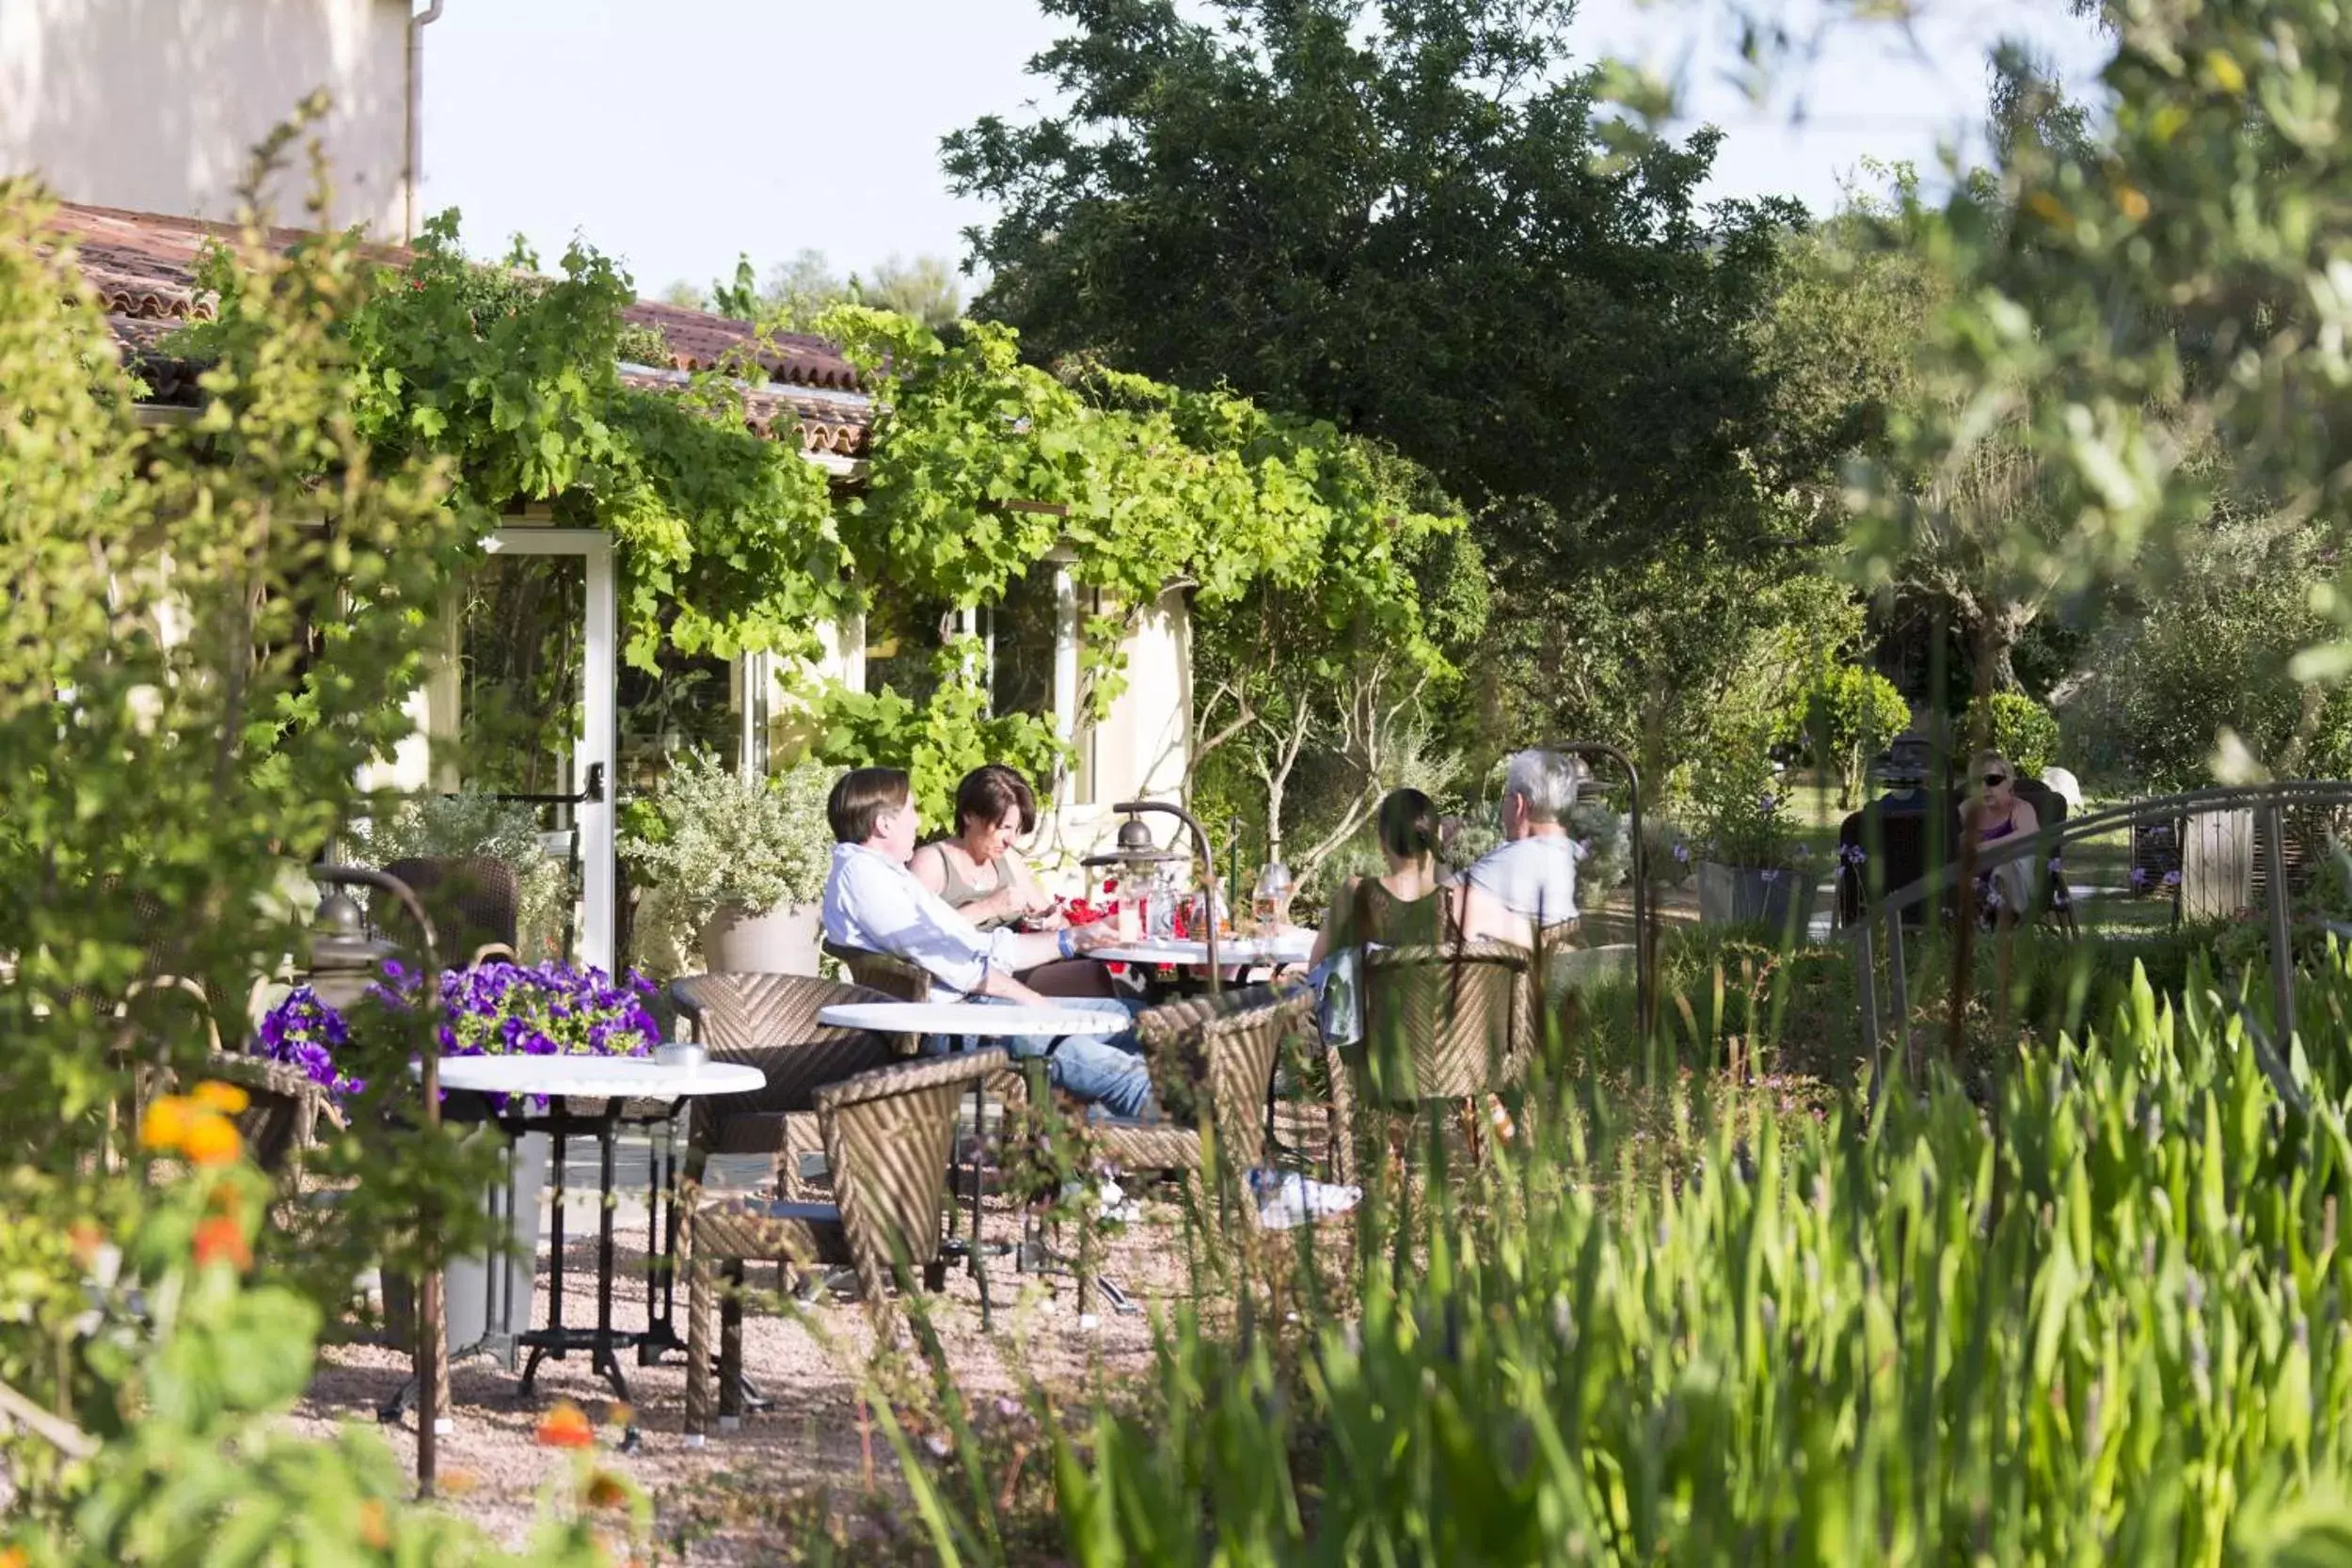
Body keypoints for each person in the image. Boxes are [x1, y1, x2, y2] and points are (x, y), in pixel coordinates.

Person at [819, 767, 1155, 1117]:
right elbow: (954, 964)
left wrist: (1075, 937)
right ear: (883, 825)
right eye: (912, 810)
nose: (918, 822)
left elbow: (980, 946)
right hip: (948, 1022)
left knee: (1136, 1021)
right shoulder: (867, 880)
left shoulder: (885, 875)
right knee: (1118, 1073)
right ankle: (1182, 1148)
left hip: (972, 1007)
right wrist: (1033, 1000)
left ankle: (1091, 1158)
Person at [1308, 788, 1519, 968]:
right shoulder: (1465, 903)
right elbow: (1539, 942)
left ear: (1383, 844)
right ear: (1438, 835)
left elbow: (1315, 970)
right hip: (1449, 1017)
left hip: (1371, 1017)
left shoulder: (1354, 895)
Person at [911, 765, 1060, 932]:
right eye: (1004, 827)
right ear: (969, 815)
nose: (1011, 840)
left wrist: (1050, 919)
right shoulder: (932, 862)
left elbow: (1049, 915)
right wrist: (989, 907)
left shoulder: (1008, 859)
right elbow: (910, 935)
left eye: (1017, 830)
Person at [1452, 749, 1586, 934]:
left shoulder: (1514, 862)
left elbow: (1437, 902)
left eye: (1505, 797)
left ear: (1519, 805)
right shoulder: (1577, 855)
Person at [1963, 751, 2040, 925]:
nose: (1984, 788)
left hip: (2016, 878)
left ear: (2009, 781)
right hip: (1976, 877)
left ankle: (2002, 909)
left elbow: (2027, 834)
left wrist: (1986, 847)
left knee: (2007, 863)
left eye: (1993, 780)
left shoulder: (2021, 808)